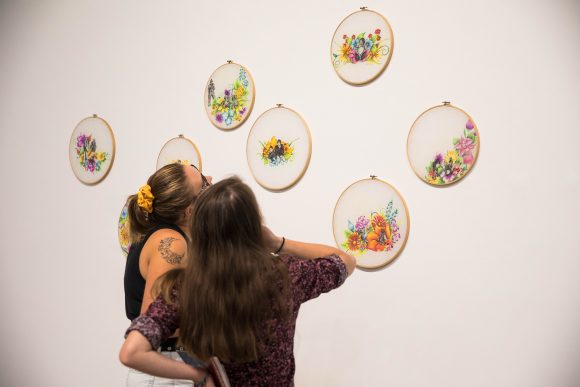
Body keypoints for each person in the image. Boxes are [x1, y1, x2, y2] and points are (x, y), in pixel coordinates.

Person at [120, 176, 356, 386]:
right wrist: (277, 243)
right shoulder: (285, 274)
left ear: (201, 229)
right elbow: (345, 261)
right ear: (253, 224)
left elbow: (131, 353)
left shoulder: (186, 286)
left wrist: (197, 375)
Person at [123, 162, 212, 386]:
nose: (210, 179)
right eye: (203, 184)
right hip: (168, 370)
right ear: (189, 211)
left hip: (174, 365)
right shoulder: (171, 243)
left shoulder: (167, 237)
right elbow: (151, 326)